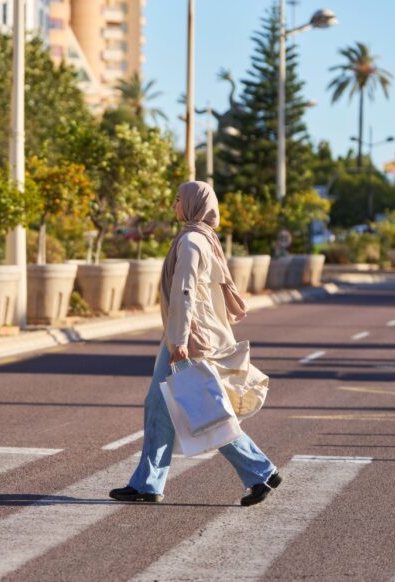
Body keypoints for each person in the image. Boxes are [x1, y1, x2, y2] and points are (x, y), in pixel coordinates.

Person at [108, 181, 281, 507]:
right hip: (183, 335)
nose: (174, 205)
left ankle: (260, 471)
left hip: (188, 339)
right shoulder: (204, 238)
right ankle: (147, 484)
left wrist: (180, 341)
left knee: (205, 412)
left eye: (177, 200)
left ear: (190, 205)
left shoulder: (190, 242)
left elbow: (185, 293)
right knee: (159, 406)